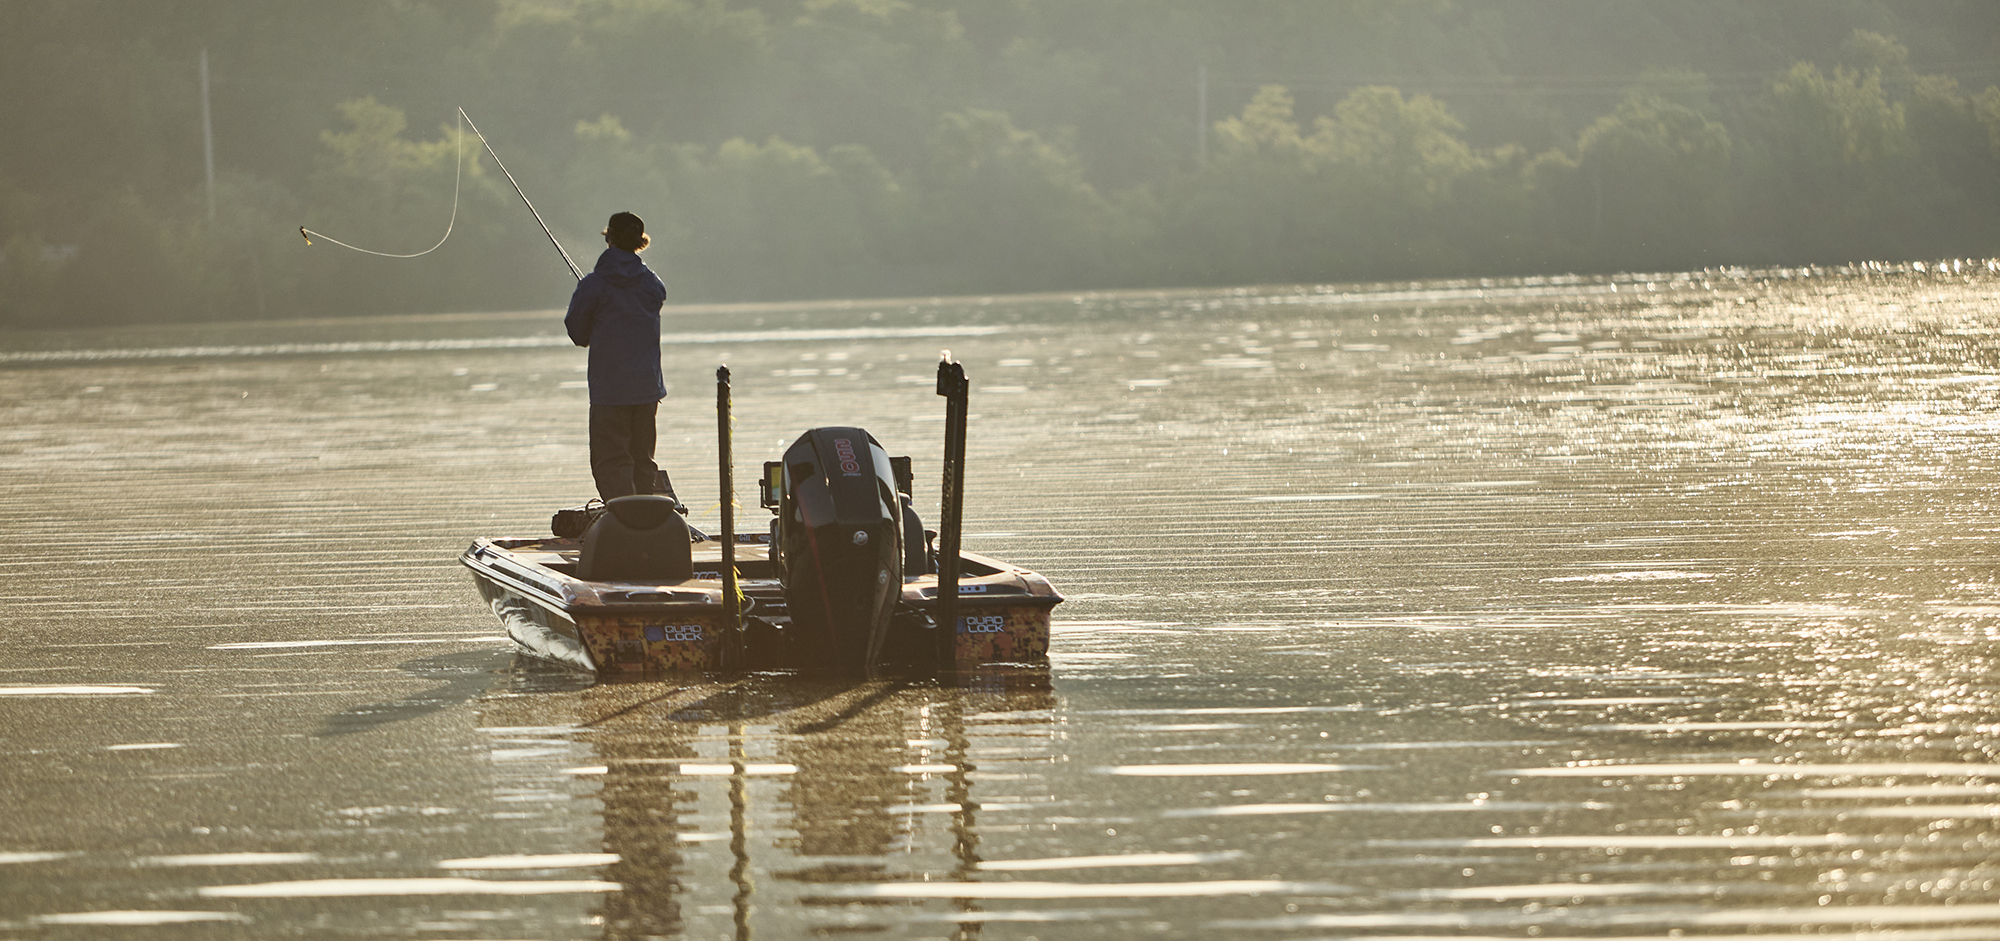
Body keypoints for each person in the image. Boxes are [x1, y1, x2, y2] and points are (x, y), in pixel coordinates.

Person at [565, 211, 675, 504]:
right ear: (641, 243)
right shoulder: (652, 284)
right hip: (647, 388)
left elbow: (577, 332)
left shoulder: (593, 285)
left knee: (612, 461)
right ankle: (646, 521)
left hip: (610, 390)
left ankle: (625, 522)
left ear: (609, 239)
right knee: (643, 459)